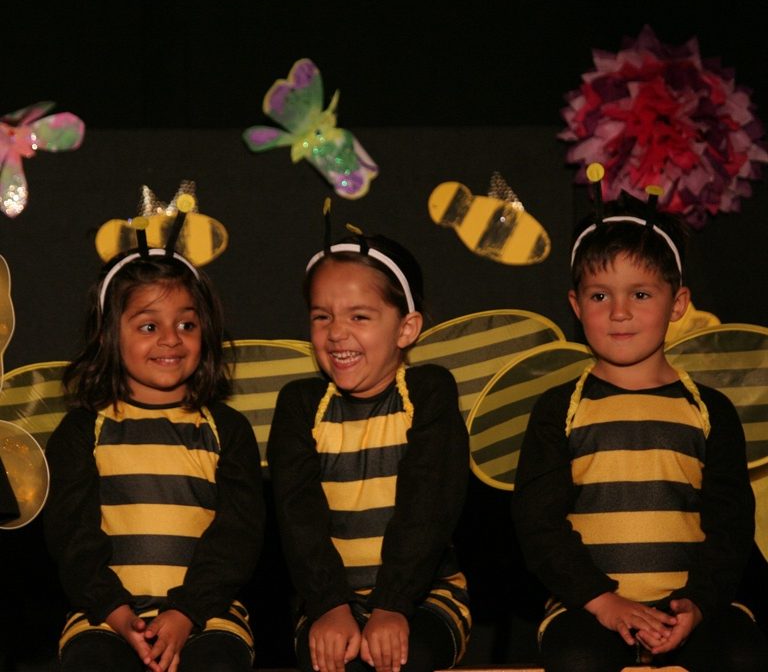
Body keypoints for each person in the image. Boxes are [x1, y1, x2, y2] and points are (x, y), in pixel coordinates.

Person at [513, 199, 768, 671]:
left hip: (690, 609)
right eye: (599, 296)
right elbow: (539, 525)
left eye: (641, 294)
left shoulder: (711, 410)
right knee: (579, 661)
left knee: (741, 657)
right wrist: (604, 602)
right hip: (587, 608)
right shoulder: (558, 410)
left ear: (679, 303)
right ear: (575, 305)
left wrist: (696, 604)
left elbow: (730, 527)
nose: (620, 313)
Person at [44, 247, 264, 672]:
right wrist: (116, 611)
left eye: (187, 323)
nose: (171, 338)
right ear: (109, 335)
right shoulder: (82, 431)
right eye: (149, 325)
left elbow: (238, 536)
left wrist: (186, 613)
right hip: (103, 618)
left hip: (207, 616)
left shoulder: (226, 429)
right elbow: (72, 538)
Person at [267, 231, 471, 672]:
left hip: (423, 595)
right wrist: (328, 606)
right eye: (322, 317)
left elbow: (428, 507)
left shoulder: (429, 393)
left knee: (403, 660)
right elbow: (297, 516)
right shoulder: (301, 404)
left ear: (406, 328)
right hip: (329, 602)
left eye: (359, 316)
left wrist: (393, 604)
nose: (336, 332)